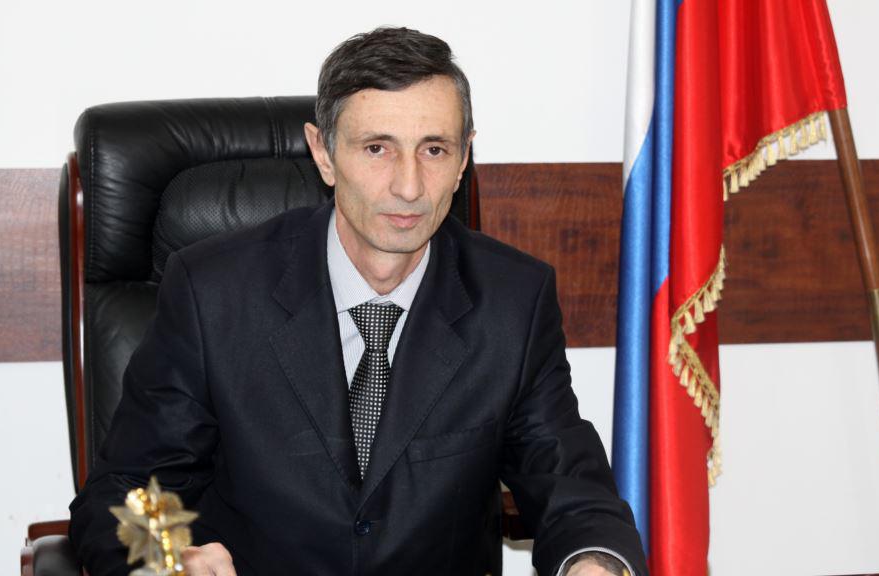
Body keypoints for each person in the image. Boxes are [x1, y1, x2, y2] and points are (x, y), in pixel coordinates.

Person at [70, 27, 647, 576]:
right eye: (377, 149)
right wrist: (169, 558)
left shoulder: (513, 302)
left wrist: (593, 562)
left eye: (434, 149)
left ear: (464, 158)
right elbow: (126, 493)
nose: (408, 186)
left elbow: (572, 489)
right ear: (323, 153)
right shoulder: (213, 292)